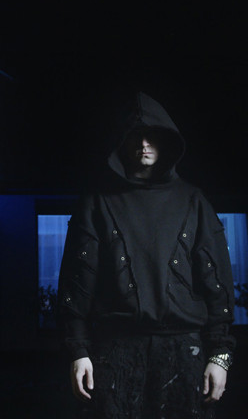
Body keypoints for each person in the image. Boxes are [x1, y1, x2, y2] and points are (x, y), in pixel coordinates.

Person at [57, 92, 235, 418]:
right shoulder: (97, 202)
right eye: (135, 136)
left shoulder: (193, 201)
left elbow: (217, 283)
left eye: (152, 135)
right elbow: (77, 283)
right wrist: (78, 351)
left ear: (167, 141)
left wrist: (220, 355)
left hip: (185, 350)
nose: (143, 144)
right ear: (122, 141)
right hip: (115, 350)